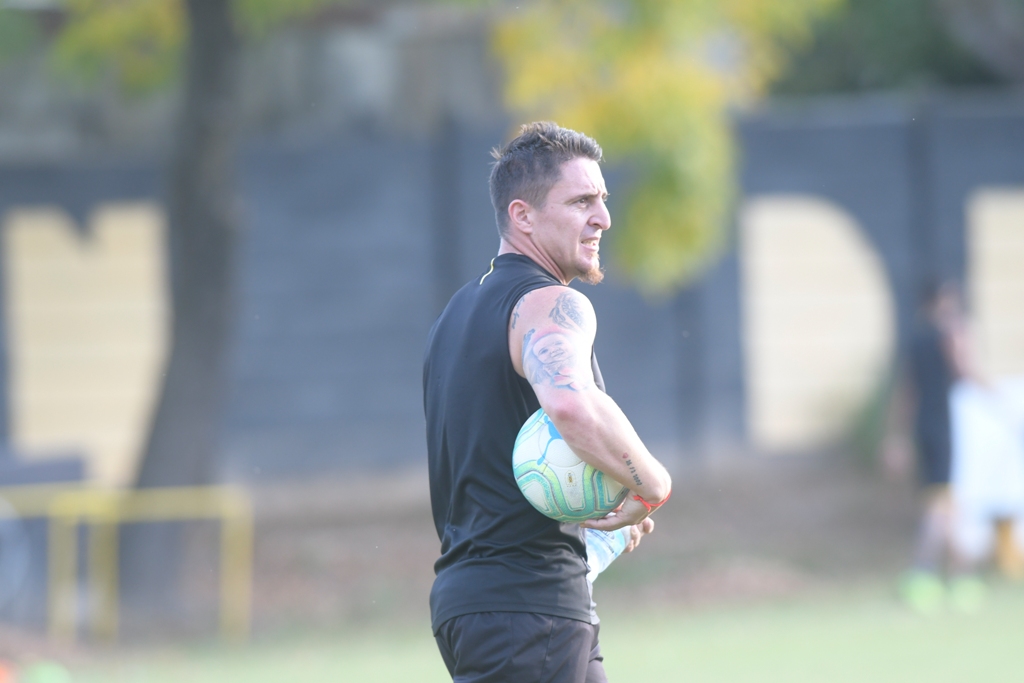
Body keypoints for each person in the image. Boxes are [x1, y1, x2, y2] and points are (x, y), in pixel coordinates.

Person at [423, 122, 673, 682]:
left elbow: (496, 469)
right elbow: (570, 407)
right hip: (525, 609)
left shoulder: (456, 316)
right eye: (582, 201)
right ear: (523, 216)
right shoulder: (549, 303)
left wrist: (596, 513)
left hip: (498, 600)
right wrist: (651, 483)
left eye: (603, 200)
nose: (603, 218)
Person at [900, 280, 985, 613]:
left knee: (946, 503)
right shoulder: (947, 335)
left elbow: (905, 392)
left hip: (924, 427)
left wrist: (898, 438)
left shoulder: (914, 339)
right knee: (941, 504)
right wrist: (1001, 398)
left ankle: (961, 576)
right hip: (943, 427)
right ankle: (922, 574)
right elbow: (964, 370)